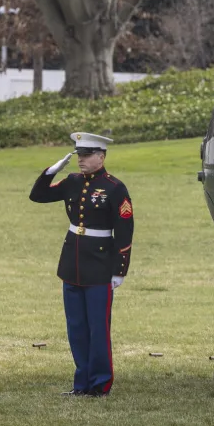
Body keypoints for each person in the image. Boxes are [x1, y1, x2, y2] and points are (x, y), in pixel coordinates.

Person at [29, 132, 134, 397]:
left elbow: (124, 231)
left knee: (98, 329)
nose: (81, 161)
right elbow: (38, 196)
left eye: (87, 155)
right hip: (72, 264)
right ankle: (81, 384)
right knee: (76, 328)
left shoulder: (114, 187)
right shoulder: (73, 181)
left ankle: (100, 384)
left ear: (101, 156)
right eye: (79, 155)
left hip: (99, 267)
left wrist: (119, 270)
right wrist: (52, 170)